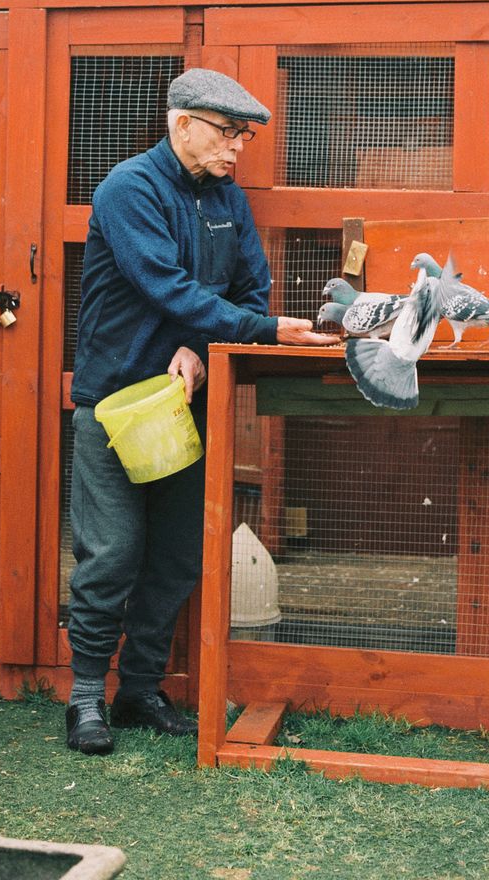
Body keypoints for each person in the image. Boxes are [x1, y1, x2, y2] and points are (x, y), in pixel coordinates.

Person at [65, 67, 338, 754]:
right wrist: (268, 330)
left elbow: (251, 287)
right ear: (180, 122)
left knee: (180, 556)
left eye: (242, 136)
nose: (236, 148)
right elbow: (166, 284)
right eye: (226, 132)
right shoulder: (128, 189)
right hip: (114, 408)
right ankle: (83, 699)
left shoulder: (228, 201)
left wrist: (194, 345)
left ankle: (138, 691)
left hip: (188, 409)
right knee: (112, 555)